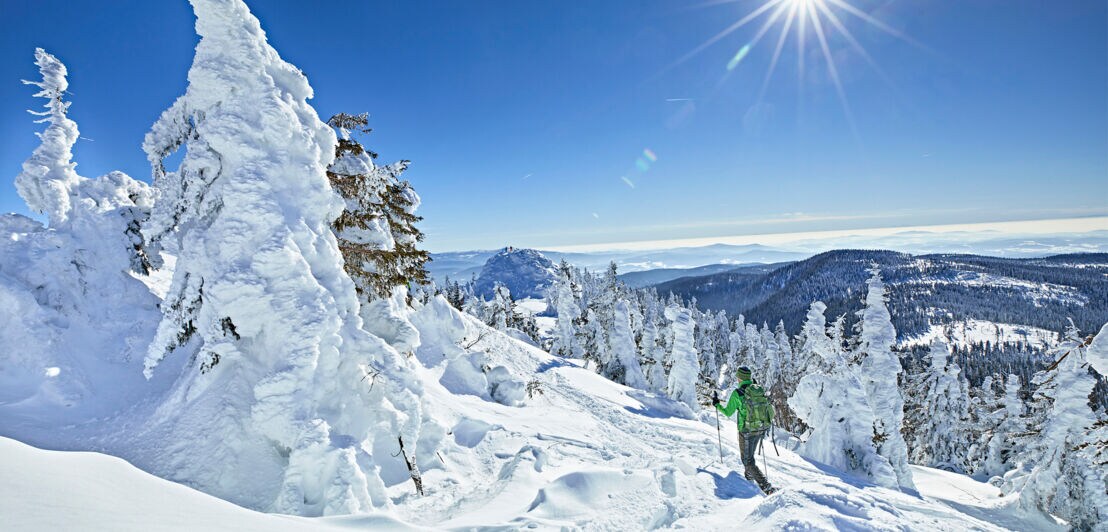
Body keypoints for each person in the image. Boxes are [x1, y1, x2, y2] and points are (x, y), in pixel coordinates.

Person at [713, 365, 777, 494]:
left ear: (740, 378)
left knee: (747, 461)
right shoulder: (758, 389)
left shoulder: (738, 393)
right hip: (760, 428)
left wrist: (716, 404)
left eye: (738, 377)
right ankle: (749, 480)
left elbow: (728, 412)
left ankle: (767, 487)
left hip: (746, 431)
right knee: (750, 457)